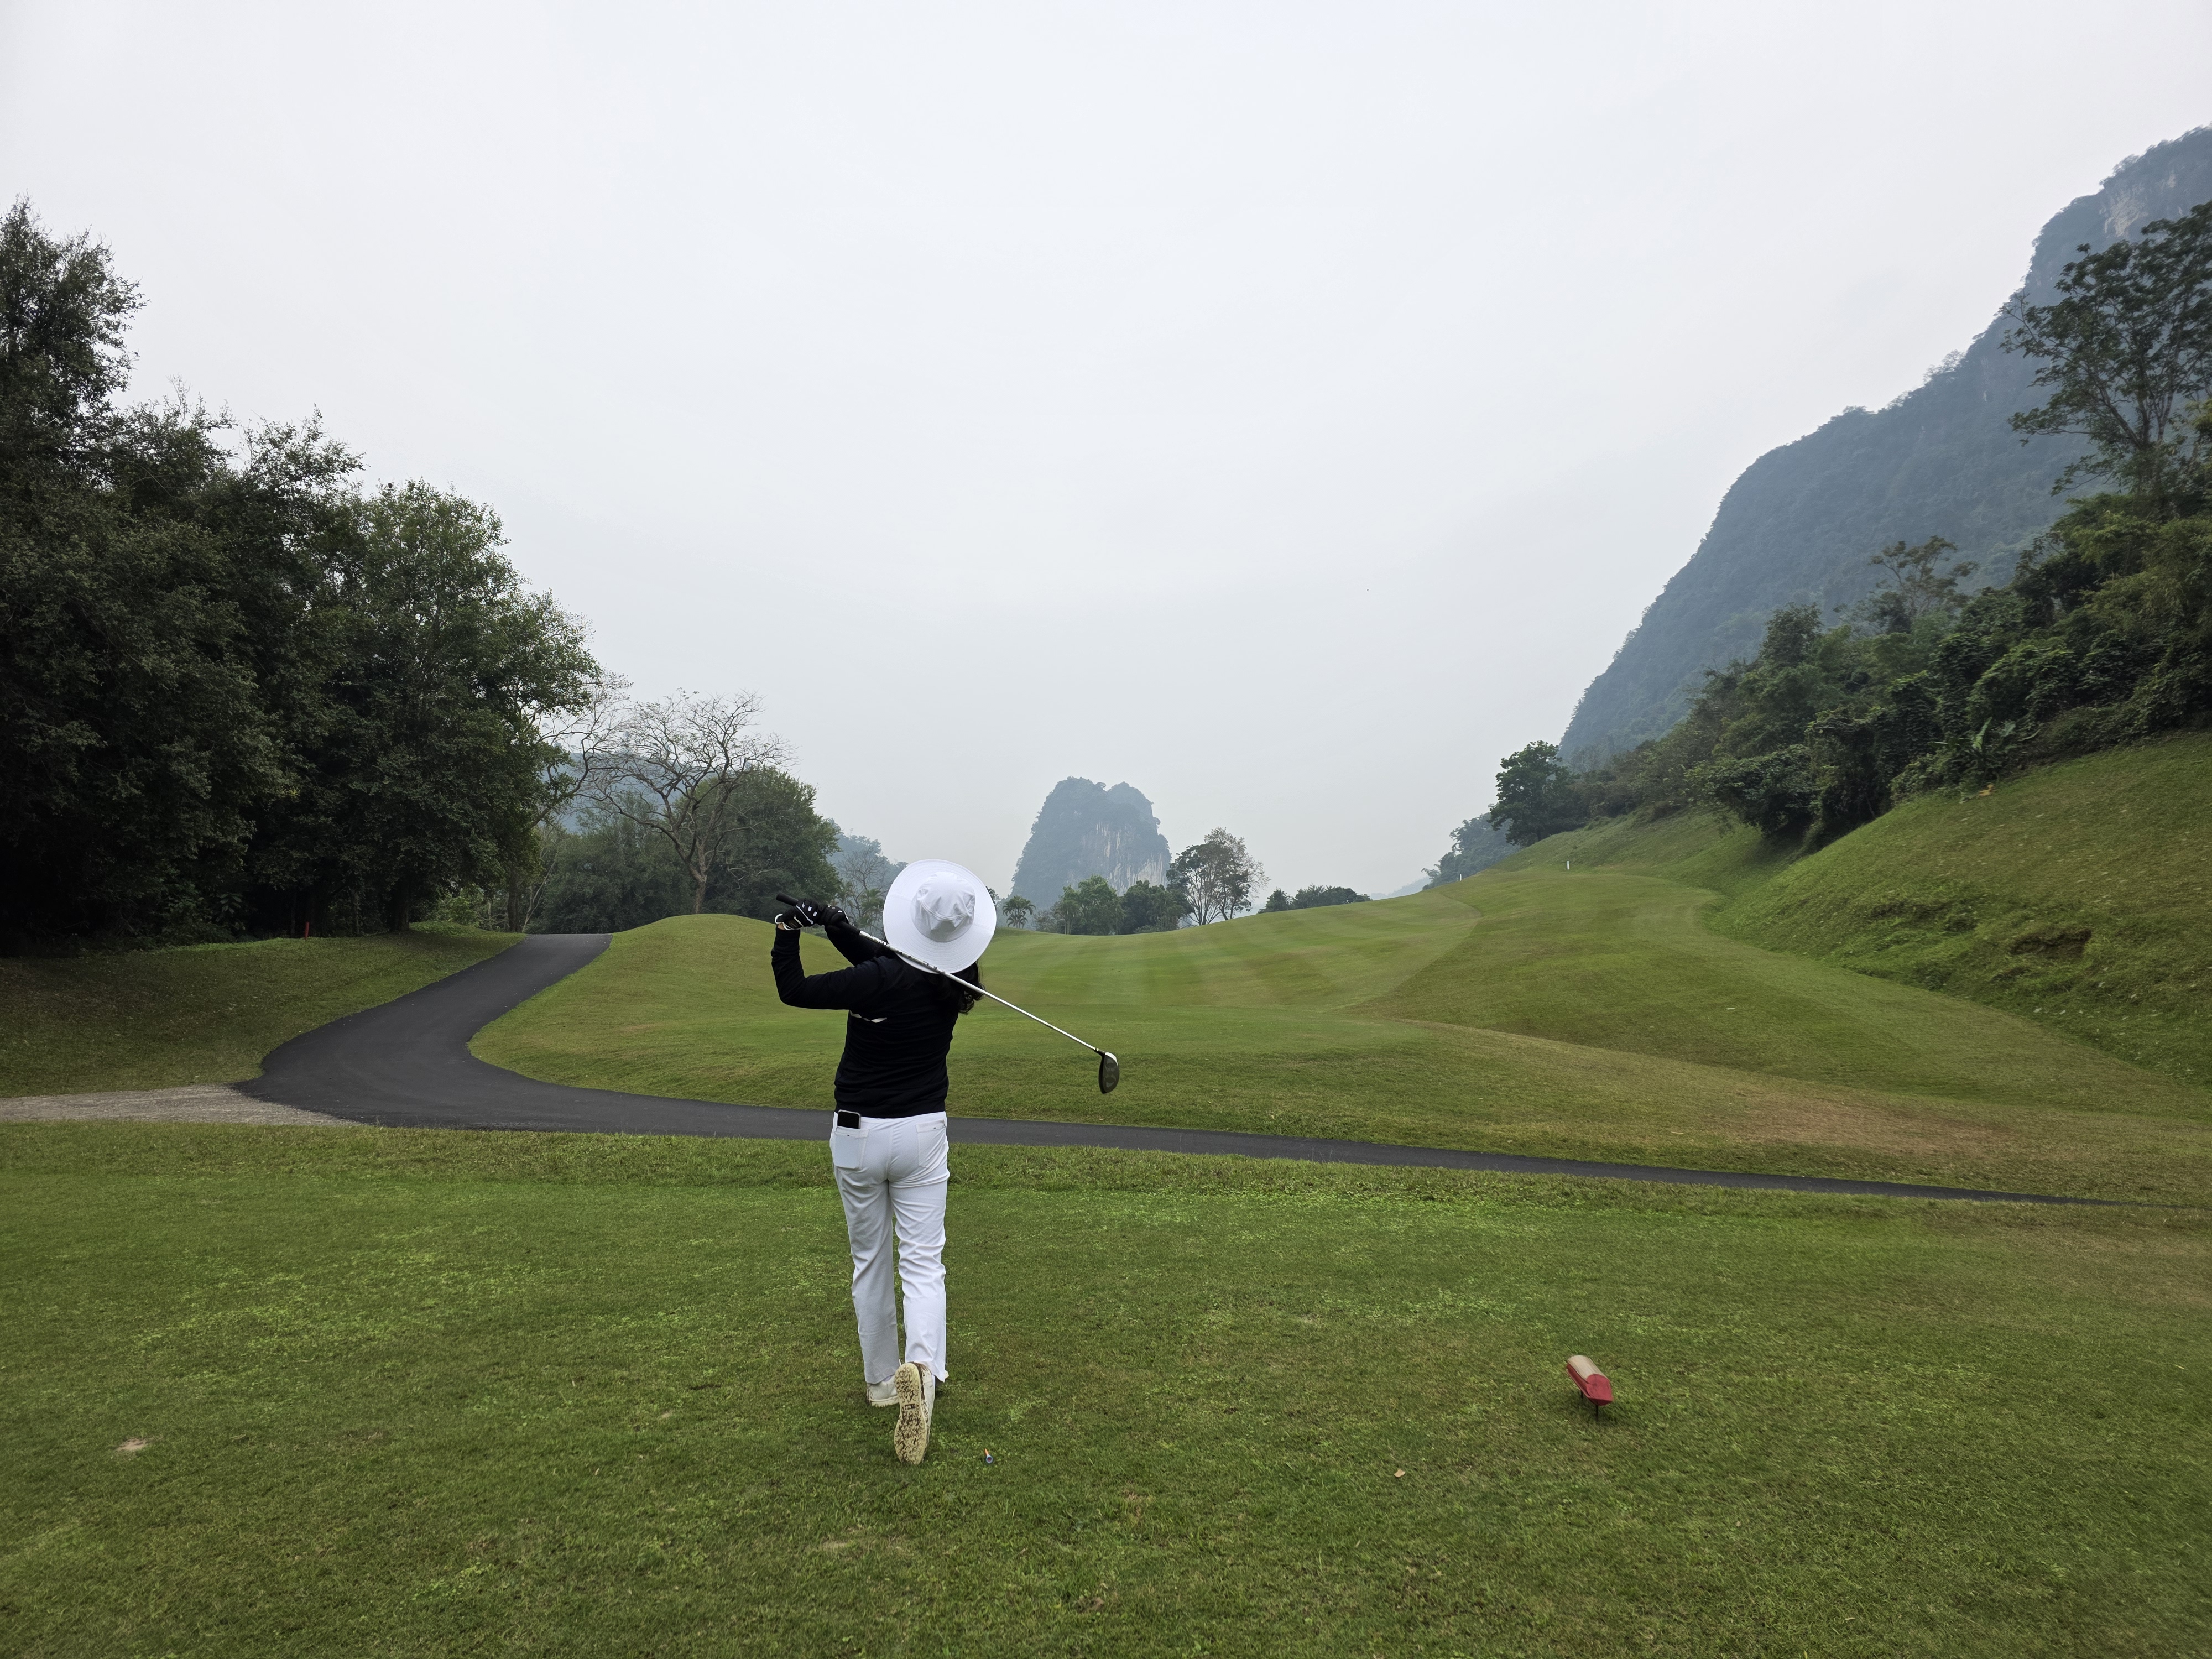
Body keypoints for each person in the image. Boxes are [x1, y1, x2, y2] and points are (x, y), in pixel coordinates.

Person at [770, 861, 995, 1465]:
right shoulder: (959, 982)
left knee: (870, 1260)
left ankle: (878, 1384)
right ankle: (921, 1370)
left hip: (858, 1136)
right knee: (924, 1262)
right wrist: (838, 925)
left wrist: (788, 930)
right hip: (923, 1133)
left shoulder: (876, 980)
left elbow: (794, 990)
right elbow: (882, 959)